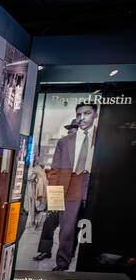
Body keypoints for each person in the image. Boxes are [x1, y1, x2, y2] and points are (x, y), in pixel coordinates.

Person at [35, 102, 97, 270]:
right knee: (63, 227)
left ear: (95, 115)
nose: (82, 118)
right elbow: (55, 171)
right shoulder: (64, 142)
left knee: (84, 229)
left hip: (91, 186)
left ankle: (75, 259)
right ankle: (61, 262)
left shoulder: (100, 139)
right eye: (79, 114)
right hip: (68, 188)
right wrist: (54, 200)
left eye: (87, 113)